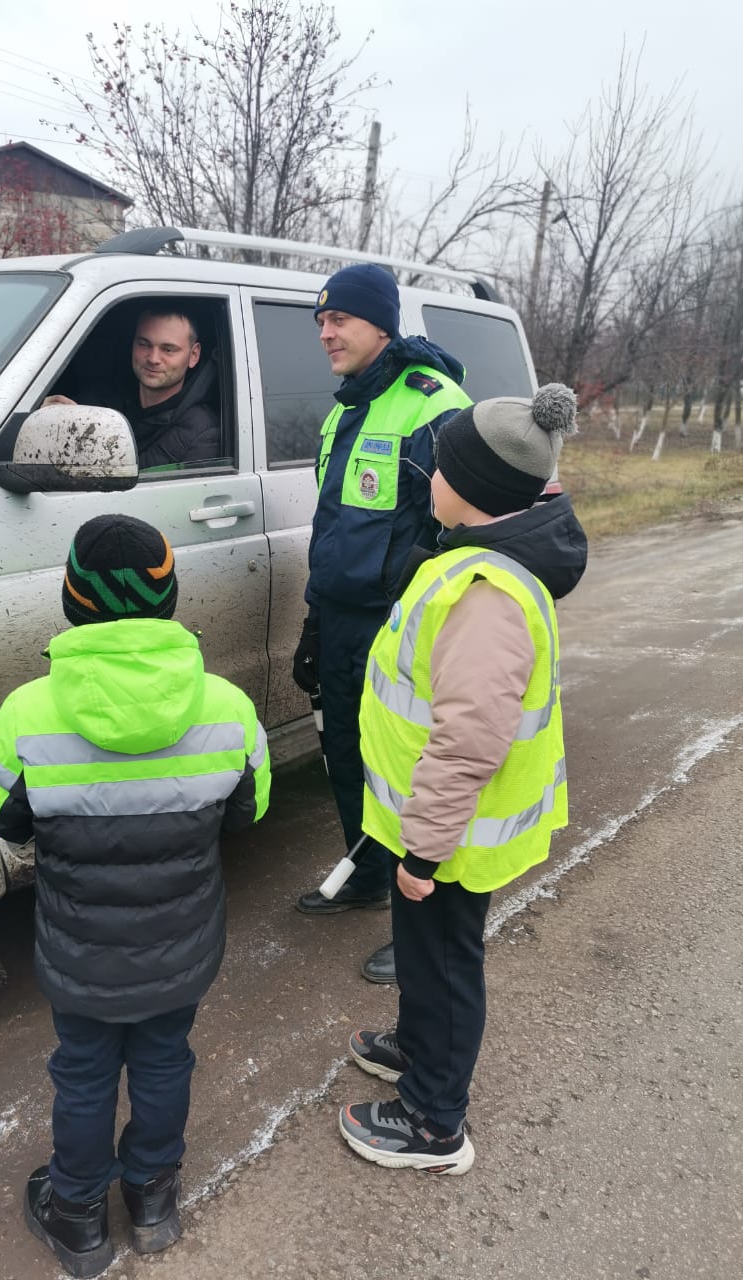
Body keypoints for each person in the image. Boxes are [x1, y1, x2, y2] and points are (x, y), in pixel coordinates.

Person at [0, 514, 270, 1279]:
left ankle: (76, 1220)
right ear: (169, 601)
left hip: (80, 949)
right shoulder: (227, 708)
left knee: (84, 1070)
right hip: (183, 940)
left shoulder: (29, 713)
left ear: (72, 601)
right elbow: (249, 808)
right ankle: (153, 1201)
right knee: (166, 1060)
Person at [338, 384, 587, 1174]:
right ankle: (417, 1047)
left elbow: (468, 739)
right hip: (437, 825)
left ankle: (434, 1121)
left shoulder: (487, 595)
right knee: (425, 954)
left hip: (452, 837)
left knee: (446, 966)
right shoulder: (477, 560)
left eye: (438, 469)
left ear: (472, 492)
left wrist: (423, 852)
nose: (428, 480)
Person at [291, 262, 471, 985]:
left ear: (381, 324)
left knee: (410, 767)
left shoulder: (436, 405)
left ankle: (423, 924)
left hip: (405, 627)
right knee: (348, 751)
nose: (326, 333)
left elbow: (460, 531)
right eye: (321, 323)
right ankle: (368, 872)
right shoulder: (344, 411)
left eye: (339, 320)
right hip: (341, 619)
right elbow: (333, 527)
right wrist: (313, 620)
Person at [43, 307, 221, 470]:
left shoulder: (203, 434)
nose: (153, 358)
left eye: (168, 349)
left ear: (194, 355)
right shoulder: (96, 402)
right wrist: (50, 425)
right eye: (144, 344)